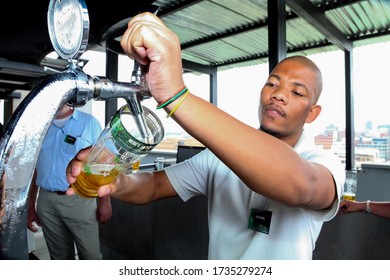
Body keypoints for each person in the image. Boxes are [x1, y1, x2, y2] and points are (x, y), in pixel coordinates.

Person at [66, 12, 345, 260]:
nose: (279, 94)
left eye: (297, 92)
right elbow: (153, 186)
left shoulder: (323, 162)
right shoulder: (218, 158)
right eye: (272, 83)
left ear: (312, 113)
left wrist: (176, 96)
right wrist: (116, 181)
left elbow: (301, 186)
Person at [28, 104, 112, 260]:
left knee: (90, 255)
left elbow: (103, 163)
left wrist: (105, 201)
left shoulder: (89, 123)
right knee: (59, 256)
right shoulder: (41, 126)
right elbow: (36, 168)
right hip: (46, 201)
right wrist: (31, 205)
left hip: (79, 199)